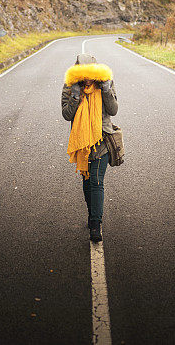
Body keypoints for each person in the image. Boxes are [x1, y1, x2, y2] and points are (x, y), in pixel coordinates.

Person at [61, 53, 118, 242]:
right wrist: (75, 96)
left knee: (96, 180)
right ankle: (92, 213)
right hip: (81, 143)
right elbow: (67, 115)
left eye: (89, 73)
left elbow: (113, 110)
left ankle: (95, 224)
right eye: (82, 74)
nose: (87, 78)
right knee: (87, 182)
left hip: (102, 139)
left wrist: (106, 90)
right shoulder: (70, 86)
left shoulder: (105, 83)